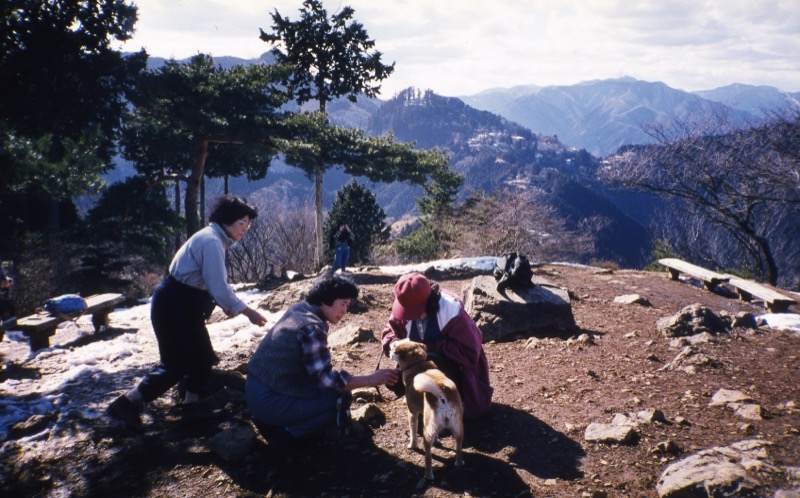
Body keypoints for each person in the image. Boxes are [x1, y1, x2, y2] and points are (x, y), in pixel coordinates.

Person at [107, 194, 268, 431]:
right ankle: (125, 404)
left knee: (203, 357)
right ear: (226, 220)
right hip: (173, 304)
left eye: (248, 224)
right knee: (175, 364)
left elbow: (210, 282)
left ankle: (191, 406)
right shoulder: (211, 242)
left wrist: (224, 303)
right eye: (241, 223)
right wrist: (248, 312)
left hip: (184, 303)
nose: (245, 229)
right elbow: (219, 287)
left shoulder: (214, 238)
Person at [246, 274, 399, 444]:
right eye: (343, 304)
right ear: (325, 301)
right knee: (339, 399)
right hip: (268, 400)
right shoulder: (311, 327)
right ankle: (286, 433)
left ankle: (279, 424)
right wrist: (370, 379)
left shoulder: (300, 309)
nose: (345, 311)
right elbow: (326, 380)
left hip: (256, 389)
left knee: (335, 393)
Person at [381, 272, 493, 420]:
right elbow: (390, 330)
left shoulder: (451, 312)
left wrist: (429, 347)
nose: (407, 315)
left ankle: (450, 405)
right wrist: (393, 342)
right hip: (418, 366)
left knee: (433, 359)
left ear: (427, 303)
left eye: (412, 311)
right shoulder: (407, 301)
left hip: (452, 369)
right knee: (393, 379)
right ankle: (421, 403)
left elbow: (470, 353)